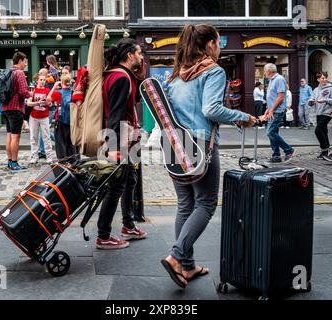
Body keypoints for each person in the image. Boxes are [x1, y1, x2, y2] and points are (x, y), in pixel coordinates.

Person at [161, 24, 256, 288]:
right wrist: (243, 117)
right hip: (198, 144)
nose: (221, 47)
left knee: (185, 205)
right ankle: (176, 257)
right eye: (219, 42)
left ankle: (187, 266)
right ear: (211, 44)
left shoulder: (176, 75)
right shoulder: (213, 71)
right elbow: (212, 109)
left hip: (173, 144)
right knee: (205, 203)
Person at [95, 38, 148, 250]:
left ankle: (128, 225)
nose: (142, 56)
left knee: (131, 179)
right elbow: (115, 115)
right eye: (139, 53)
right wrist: (113, 148)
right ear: (129, 56)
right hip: (121, 137)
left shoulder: (114, 74)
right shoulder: (121, 78)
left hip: (127, 136)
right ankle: (104, 235)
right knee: (116, 186)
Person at [1, 51, 32, 172]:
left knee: (9, 135)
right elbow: (24, 92)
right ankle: (14, 163)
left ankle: (9, 161)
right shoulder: (19, 73)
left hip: (4, 108)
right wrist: (32, 94)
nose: (25, 64)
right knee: (16, 137)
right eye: (24, 61)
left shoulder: (8, 72)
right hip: (15, 109)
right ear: (19, 61)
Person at [260, 63, 294, 163]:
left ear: (269, 71)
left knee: (270, 132)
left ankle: (288, 150)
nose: (264, 73)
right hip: (272, 110)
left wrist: (271, 110)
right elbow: (272, 96)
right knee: (273, 132)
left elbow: (280, 96)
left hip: (277, 111)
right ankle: (276, 155)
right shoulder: (272, 80)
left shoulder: (279, 79)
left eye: (265, 71)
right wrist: (268, 109)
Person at [48, 74, 78, 161]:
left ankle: (63, 162)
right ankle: (73, 161)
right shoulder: (74, 92)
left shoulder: (58, 93)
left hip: (61, 121)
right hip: (72, 121)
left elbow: (48, 99)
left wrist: (54, 87)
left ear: (61, 82)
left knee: (61, 143)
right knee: (72, 143)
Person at [26, 74, 54, 165]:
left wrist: (49, 103)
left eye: (44, 80)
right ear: (37, 80)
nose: (42, 81)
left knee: (46, 137)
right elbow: (28, 103)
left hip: (44, 117)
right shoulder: (33, 90)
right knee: (34, 137)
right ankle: (34, 156)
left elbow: (50, 104)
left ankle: (49, 156)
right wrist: (38, 102)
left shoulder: (47, 90)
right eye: (41, 79)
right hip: (34, 117)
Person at [309, 72, 332, 159]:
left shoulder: (331, 88)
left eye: (324, 78)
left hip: (327, 113)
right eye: (322, 78)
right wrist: (310, 102)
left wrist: (325, 100)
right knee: (324, 131)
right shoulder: (315, 90)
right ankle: (325, 151)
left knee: (318, 130)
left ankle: (324, 148)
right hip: (318, 112)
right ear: (318, 80)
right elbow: (312, 100)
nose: (324, 79)